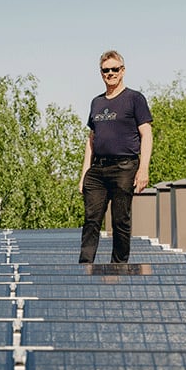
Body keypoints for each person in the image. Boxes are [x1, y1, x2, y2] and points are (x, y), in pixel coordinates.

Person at [78, 49, 153, 263]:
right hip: (98, 170)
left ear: (122, 71)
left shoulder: (134, 99)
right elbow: (91, 139)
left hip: (124, 167)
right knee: (91, 219)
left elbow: (146, 134)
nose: (110, 73)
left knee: (121, 220)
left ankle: (118, 267)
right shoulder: (96, 103)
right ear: (101, 73)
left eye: (114, 69)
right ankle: (84, 268)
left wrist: (143, 169)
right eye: (105, 70)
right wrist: (84, 173)